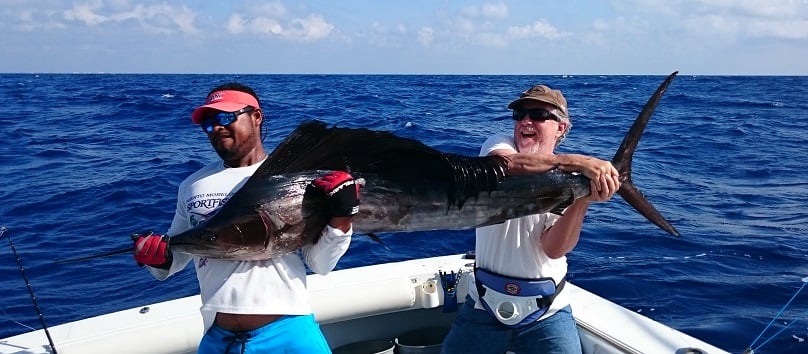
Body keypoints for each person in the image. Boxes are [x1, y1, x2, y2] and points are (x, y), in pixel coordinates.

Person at [132, 83, 361, 353]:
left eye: (225, 117)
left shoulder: (297, 177)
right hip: (219, 339)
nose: (216, 128)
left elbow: (320, 263)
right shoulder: (192, 185)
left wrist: (342, 219)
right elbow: (181, 249)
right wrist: (160, 258)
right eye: (208, 123)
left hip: (290, 333)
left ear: (256, 117)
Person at [441, 84, 621, 353]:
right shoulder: (498, 144)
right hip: (482, 305)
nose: (525, 121)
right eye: (519, 114)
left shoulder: (571, 182)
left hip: (547, 311)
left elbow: (553, 248)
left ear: (561, 127)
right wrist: (580, 162)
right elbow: (509, 165)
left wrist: (582, 199)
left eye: (538, 114)